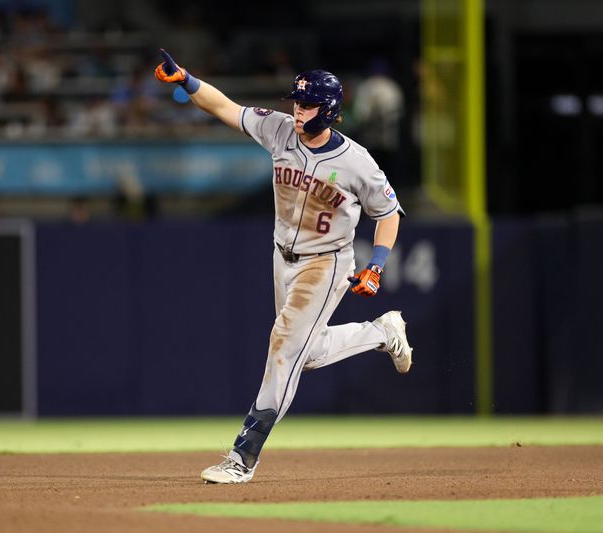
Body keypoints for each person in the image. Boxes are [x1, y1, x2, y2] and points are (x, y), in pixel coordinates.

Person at [154, 49, 412, 484]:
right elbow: (226, 108)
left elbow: (388, 214)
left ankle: (243, 456)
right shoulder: (279, 130)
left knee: (283, 348)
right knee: (304, 354)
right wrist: (186, 80)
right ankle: (381, 333)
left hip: (326, 262)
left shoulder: (357, 161)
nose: (297, 110)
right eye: (296, 101)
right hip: (283, 258)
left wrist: (377, 265)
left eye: (307, 104)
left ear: (327, 110)